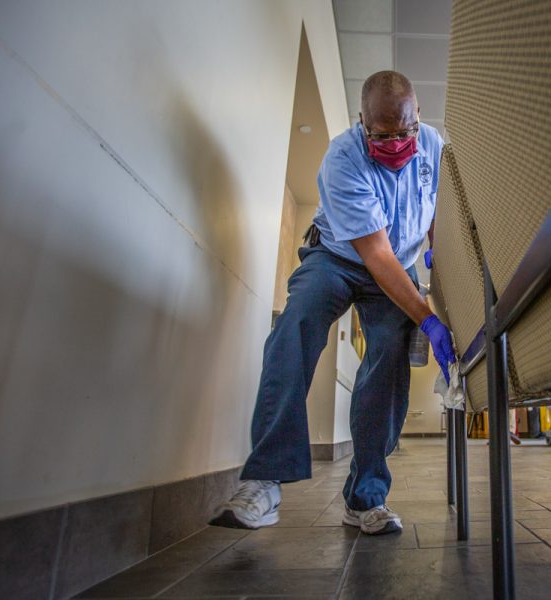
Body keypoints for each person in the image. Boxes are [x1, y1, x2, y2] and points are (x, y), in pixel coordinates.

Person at [209, 71, 455, 536]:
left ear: (418, 115)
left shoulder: (433, 146)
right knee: (295, 323)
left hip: (398, 262)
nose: (399, 143)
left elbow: (439, 213)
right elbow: (375, 256)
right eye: (384, 136)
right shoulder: (343, 157)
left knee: (389, 353)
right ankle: (264, 480)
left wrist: (441, 272)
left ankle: (365, 498)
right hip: (340, 255)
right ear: (361, 122)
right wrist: (425, 316)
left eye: (406, 131)